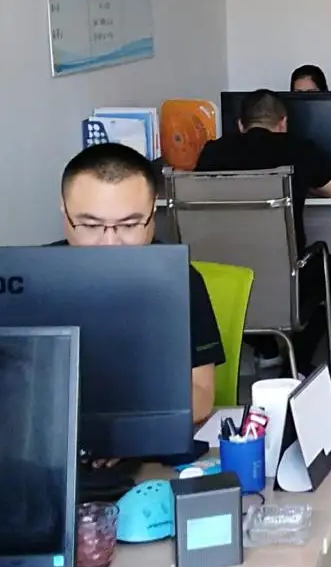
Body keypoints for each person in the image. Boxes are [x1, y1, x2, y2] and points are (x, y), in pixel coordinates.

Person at [57, 143, 225, 429]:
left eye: (129, 225)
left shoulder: (179, 280)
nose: (110, 243)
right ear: (65, 212)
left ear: (152, 214)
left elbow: (201, 397)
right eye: (91, 226)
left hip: (145, 435)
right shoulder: (28, 281)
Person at [195, 89, 331, 358]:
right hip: (284, 283)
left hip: (223, 281)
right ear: (283, 123)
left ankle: (266, 349)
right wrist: (307, 183)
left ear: (240, 124)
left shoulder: (212, 152)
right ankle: (298, 363)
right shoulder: (299, 149)